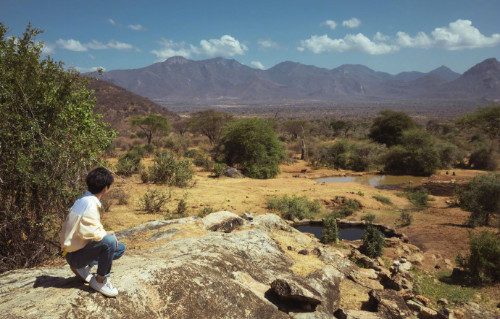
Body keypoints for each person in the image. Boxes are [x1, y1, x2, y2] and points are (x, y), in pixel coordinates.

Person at [60, 167, 126, 297]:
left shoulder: (84, 199)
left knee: (120, 248)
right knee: (110, 242)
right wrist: (108, 235)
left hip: (74, 251)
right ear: (105, 189)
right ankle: (99, 280)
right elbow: (92, 234)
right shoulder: (90, 205)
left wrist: (107, 233)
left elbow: (89, 229)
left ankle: (86, 265)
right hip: (75, 256)